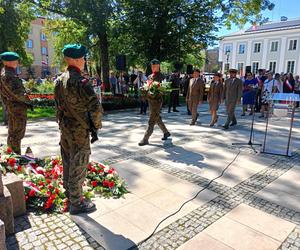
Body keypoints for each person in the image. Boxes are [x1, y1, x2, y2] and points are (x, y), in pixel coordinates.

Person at [54, 44, 103, 214]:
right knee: (80, 162)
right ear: (75, 60)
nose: (84, 60)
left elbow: (58, 107)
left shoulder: (59, 80)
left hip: (65, 129)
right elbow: (96, 108)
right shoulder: (82, 82)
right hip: (79, 131)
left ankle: (69, 194)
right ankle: (76, 202)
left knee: (68, 161)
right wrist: (96, 126)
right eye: (83, 58)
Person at [0, 52, 32, 154]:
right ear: (10, 62)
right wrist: (30, 99)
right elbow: (17, 94)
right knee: (15, 135)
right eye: (16, 60)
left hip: (15, 108)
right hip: (16, 109)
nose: (17, 62)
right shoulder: (8, 75)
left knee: (15, 134)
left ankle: (13, 157)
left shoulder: (9, 73)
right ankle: (14, 158)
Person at [138, 59, 170, 146]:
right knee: (157, 118)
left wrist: (158, 91)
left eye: (155, 66)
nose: (153, 67)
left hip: (157, 101)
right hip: (150, 101)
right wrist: (144, 91)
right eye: (152, 66)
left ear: (158, 66)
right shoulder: (149, 76)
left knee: (151, 121)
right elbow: (147, 87)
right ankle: (166, 132)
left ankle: (145, 139)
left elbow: (164, 91)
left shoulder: (162, 77)